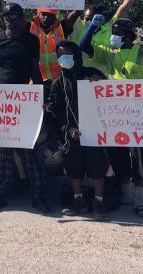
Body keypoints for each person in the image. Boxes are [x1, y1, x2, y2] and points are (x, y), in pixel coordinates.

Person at [81, 16, 143, 217]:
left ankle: (140, 201)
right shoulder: (109, 53)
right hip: (114, 114)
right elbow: (83, 46)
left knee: (139, 157)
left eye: (117, 34)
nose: (113, 37)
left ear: (128, 35)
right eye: (113, 33)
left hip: (138, 115)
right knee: (116, 154)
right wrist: (92, 26)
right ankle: (124, 195)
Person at [0, 3, 51, 213]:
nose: (10, 20)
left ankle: (38, 196)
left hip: (24, 101)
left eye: (14, 16)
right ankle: (0, 194)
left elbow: (35, 71)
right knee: (3, 152)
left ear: (22, 19)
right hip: (1, 102)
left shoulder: (31, 41)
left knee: (29, 150)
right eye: (6, 16)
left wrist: (40, 98)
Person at [45, 40, 109, 221]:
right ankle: (77, 200)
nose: (65, 58)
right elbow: (56, 111)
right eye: (60, 55)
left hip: (95, 130)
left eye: (68, 54)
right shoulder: (58, 83)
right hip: (72, 133)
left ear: (77, 56)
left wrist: (100, 82)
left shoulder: (92, 74)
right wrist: (67, 129)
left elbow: (109, 94)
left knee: (97, 166)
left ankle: (99, 202)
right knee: (74, 167)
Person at [67, 0, 143, 71]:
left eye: (93, 19)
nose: (89, 22)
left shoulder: (110, 28)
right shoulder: (78, 26)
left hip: (103, 80)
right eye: (87, 19)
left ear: (100, 19)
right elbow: (71, 9)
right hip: (80, 77)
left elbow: (126, 5)